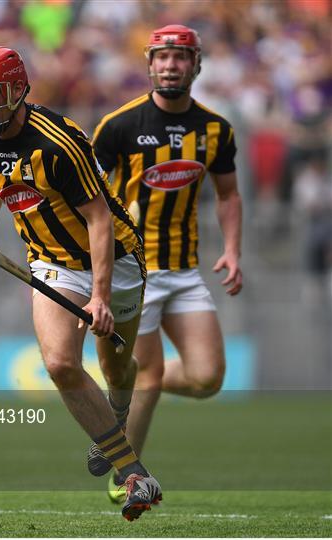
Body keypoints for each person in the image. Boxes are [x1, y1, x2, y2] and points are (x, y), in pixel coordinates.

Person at [0, 46, 161, 521]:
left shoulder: (59, 142)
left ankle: (117, 406)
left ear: (17, 89)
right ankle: (134, 473)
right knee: (59, 363)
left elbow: (99, 220)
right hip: (50, 264)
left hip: (113, 260)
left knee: (116, 368)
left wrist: (99, 294)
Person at [88, 25, 243, 500]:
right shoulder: (119, 126)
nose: (171, 65)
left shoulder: (216, 129)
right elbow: (89, 199)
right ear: (149, 64)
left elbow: (229, 195)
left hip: (186, 270)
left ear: (197, 65)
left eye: (181, 57)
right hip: (138, 273)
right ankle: (125, 475)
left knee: (206, 378)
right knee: (150, 374)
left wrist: (233, 249)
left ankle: (116, 396)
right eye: (162, 57)